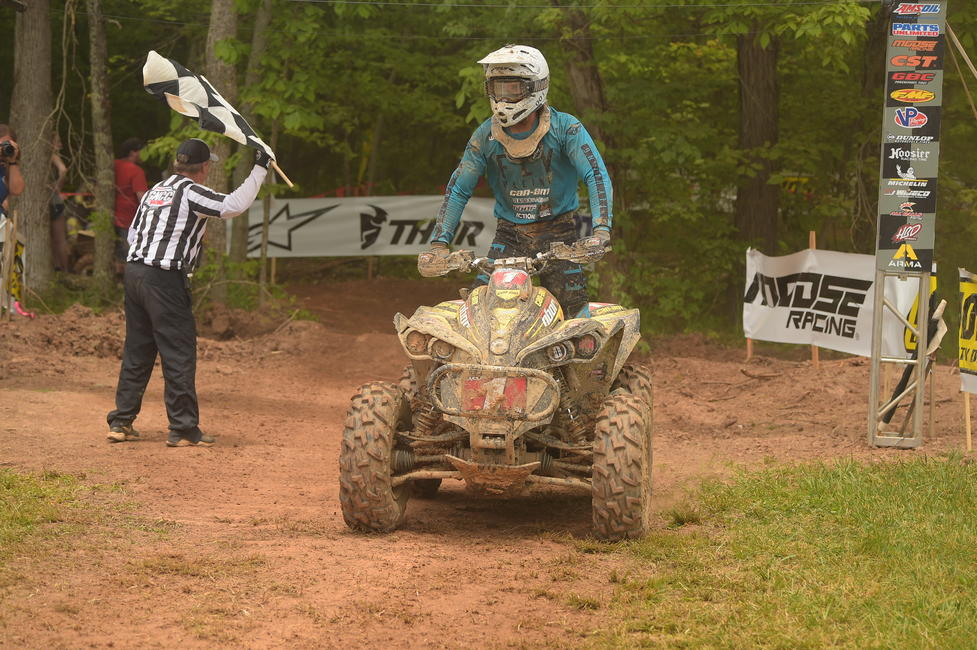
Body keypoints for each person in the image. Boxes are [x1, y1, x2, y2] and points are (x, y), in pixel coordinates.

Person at [419, 44, 613, 319]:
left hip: (558, 234)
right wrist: (439, 244)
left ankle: (588, 363)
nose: (504, 98)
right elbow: (459, 187)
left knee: (575, 317)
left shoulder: (566, 129)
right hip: (509, 236)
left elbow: (595, 174)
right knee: (478, 313)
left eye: (513, 89)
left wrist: (601, 232)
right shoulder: (485, 135)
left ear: (535, 87)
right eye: (497, 89)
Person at [106, 138, 270, 447]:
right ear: (204, 167)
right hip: (164, 278)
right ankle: (182, 428)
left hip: (135, 272)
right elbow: (232, 205)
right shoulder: (191, 191)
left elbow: (132, 233)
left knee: (138, 350)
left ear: (178, 163)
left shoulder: (156, 189)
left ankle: (121, 421)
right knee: (178, 351)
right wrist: (260, 168)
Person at [113, 137, 148, 269]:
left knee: (116, 251)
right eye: (142, 151)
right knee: (128, 253)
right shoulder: (136, 171)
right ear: (133, 152)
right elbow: (142, 198)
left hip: (110, 216)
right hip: (128, 219)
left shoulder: (113, 164)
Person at [49, 132, 69, 272]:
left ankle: (59, 267)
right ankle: (64, 268)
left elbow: (62, 171)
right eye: (58, 141)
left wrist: (56, 186)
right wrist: (57, 186)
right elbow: (63, 170)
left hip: (51, 200)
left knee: (54, 238)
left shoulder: (49, 156)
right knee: (60, 239)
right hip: (54, 202)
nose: (61, 144)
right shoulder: (52, 155)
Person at [0, 124, 24, 215]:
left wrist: (13, 161)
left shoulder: (7, 169)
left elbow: (17, 190)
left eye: (6, 145)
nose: (2, 149)